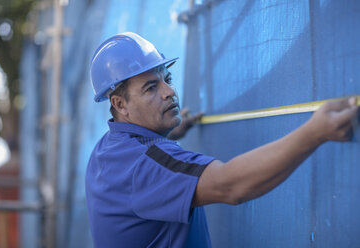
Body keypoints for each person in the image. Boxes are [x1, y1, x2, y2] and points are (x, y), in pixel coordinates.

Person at [85, 32, 359, 248]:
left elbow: (145, 172)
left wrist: (169, 132)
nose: (169, 92)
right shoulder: (144, 164)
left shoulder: (107, 151)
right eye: (151, 87)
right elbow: (231, 186)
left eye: (166, 79)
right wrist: (315, 133)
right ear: (120, 104)